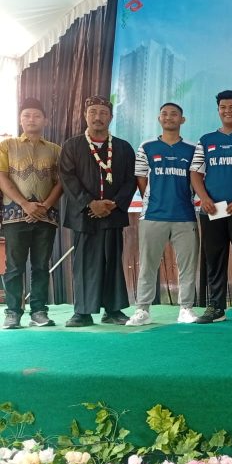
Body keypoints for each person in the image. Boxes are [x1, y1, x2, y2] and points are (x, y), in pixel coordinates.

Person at [60, 96, 137, 327]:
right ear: (85, 115)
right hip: (85, 216)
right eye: (93, 112)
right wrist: (89, 203)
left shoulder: (123, 147)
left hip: (113, 213)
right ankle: (82, 313)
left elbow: (131, 179)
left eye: (103, 112)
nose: (98, 117)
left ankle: (113, 311)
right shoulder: (72, 146)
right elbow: (67, 178)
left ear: (111, 117)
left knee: (113, 262)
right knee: (85, 264)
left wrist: (114, 203)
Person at [190, 90, 232, 325]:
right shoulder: (206, 140)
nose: (227, 111)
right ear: (218, 110)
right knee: (214, 259)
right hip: (213, 210)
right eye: (223, 107)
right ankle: (216, 307)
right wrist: (204, 199)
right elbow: (196, 173)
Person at [125, 102, 199, 326]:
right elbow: (140, 178)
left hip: (185, 216)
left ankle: (186, 308)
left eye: (174, 114)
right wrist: (154, 199)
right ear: (159, 119)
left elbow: (197, 179)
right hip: (153, 215)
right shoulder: (147, 147)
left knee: (187, 266)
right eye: (164, 114)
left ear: (182, 120)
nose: (169, 117)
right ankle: (142, 310)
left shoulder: (193, 149)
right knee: (148, 265)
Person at [0, 98, 62, 329]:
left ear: (45, 120)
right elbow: (1, 177)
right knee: (14, 267)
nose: (31, 119)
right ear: (20, 119)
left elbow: (61, 182)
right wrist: (25, 204)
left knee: (41, 266)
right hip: (15, 216)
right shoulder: (7, 146)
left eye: (36, 115)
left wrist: (44, 206)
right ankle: (13, 313)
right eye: (26, 115)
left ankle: (39, 312)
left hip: (46, 217)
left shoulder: (56, 150)